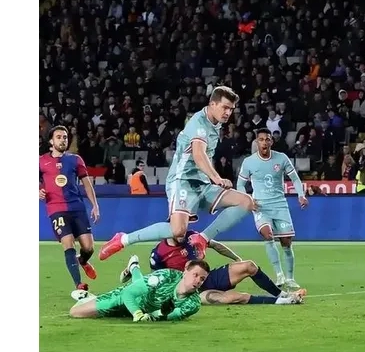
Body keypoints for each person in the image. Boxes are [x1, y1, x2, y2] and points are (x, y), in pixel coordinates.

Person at [99, 86, 256, 261]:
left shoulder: (215, 124)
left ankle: (202, 238)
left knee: (246, 202)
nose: (228, 113)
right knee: (178, 231)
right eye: (225, 107)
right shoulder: (199, 123)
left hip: (202, 184)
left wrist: (210, 179)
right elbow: (198, 155)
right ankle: (123, 239)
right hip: (183, 181)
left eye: (231, 109)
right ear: (213, 104)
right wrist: (217, 178)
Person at [121, 230, 305, 305]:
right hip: (189, 290)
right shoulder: (158, 253)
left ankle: (281, 294)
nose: (182, 231)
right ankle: (283, 302)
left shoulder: (192, 236)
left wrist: (236, 259)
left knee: (249, 266)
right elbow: (157, 279)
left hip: (206, 278)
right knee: (233, 298)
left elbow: (215, 245)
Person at [236, 128, 308, 289]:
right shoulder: (249, 162)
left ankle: (290, 278)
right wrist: (247, 200)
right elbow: (240, 184)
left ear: (271, 141)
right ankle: (279, 275)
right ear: (257, 142)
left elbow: (295, 178)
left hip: (280, 205)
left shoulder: (281, 158)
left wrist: (301, 195)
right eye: (261, 139)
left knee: (286, 242)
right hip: (260, 206)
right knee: (267, 234)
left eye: (267, 139)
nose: (264, 142)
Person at [39, 125, 100, 296]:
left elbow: (87, 184)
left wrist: (95, 205)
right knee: (68, 242)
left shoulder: (75, 160)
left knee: (89, 247)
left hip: (77, 207)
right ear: (51, 141)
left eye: (65, 137)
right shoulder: (41, 161)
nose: (63, 140)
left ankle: (83, 260)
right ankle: (78, 284)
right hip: (56, 208)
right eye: (59, 137)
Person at [70, 256, 209, 321]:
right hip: (127, 298)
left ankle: (134, 267)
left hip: (145, 309)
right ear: (185, 272)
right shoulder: (166, 276)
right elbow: (128, 293)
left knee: (143, 287)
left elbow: (164, 316)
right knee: (76, 312)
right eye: (195, 275)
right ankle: (87, 298)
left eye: (202, 279)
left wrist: (161, 313)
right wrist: (137, 313)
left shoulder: (193, 303)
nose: (198, 281)